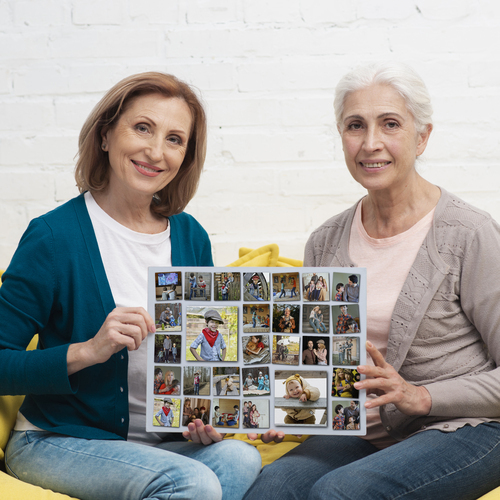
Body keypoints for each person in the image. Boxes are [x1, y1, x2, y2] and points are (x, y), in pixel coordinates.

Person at [244, 62, 500, 500]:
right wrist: (285, 410)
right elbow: (318, 366)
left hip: (466, 427)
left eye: (390, 124)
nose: (370, 143)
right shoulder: (324, 242)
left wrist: (421, 396)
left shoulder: (468, 234)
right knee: (270, 490)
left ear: (422, 137)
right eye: (355, 125)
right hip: (363, 430)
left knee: (341, 492)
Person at [1, 72, 262, 500]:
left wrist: (203, 419)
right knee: (192, 482)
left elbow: (204, 368)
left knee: (240, 457)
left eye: (175, 139)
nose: (156, 151)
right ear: (106, 135)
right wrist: (88, 350)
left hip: (154, 448)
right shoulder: (54, 237)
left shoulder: (191, 236)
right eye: (143, 128)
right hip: (56, 441)